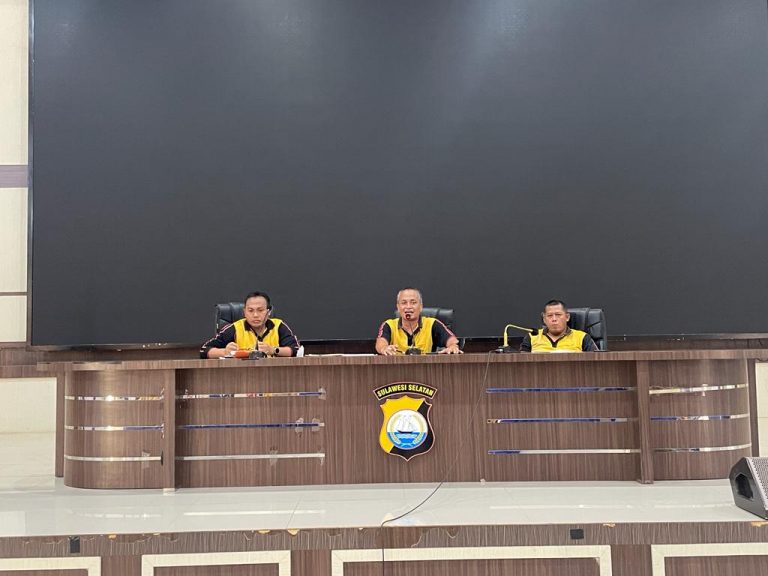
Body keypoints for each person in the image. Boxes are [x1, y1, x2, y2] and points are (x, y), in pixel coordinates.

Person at [200, 291, 300, 358]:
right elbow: (204, 351)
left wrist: (273, 350)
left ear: (268, 312)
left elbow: (296, 350)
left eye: (260, 310)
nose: (255, 315)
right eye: (250, 310)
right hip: (242, 377)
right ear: (244, 312)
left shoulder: (278, 326)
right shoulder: (235, 328)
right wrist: (224, 352)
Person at [376, 288, 462, 355]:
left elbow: (452, 341)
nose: (408, 307)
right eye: (404, 303)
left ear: (421, 306)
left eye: (413, 302)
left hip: (427, 369)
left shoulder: (432, 324)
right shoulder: (389, 325)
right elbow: (380, 343)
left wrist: (453, 346)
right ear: (398, 307)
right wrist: (384, 348)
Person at [520, 299, 598, 353]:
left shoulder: (582, 337)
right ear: (544, 319)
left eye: (558, 315)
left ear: (567, 317)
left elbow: (596, 361)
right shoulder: (532, 337)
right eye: (550, 315)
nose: (554, 319)